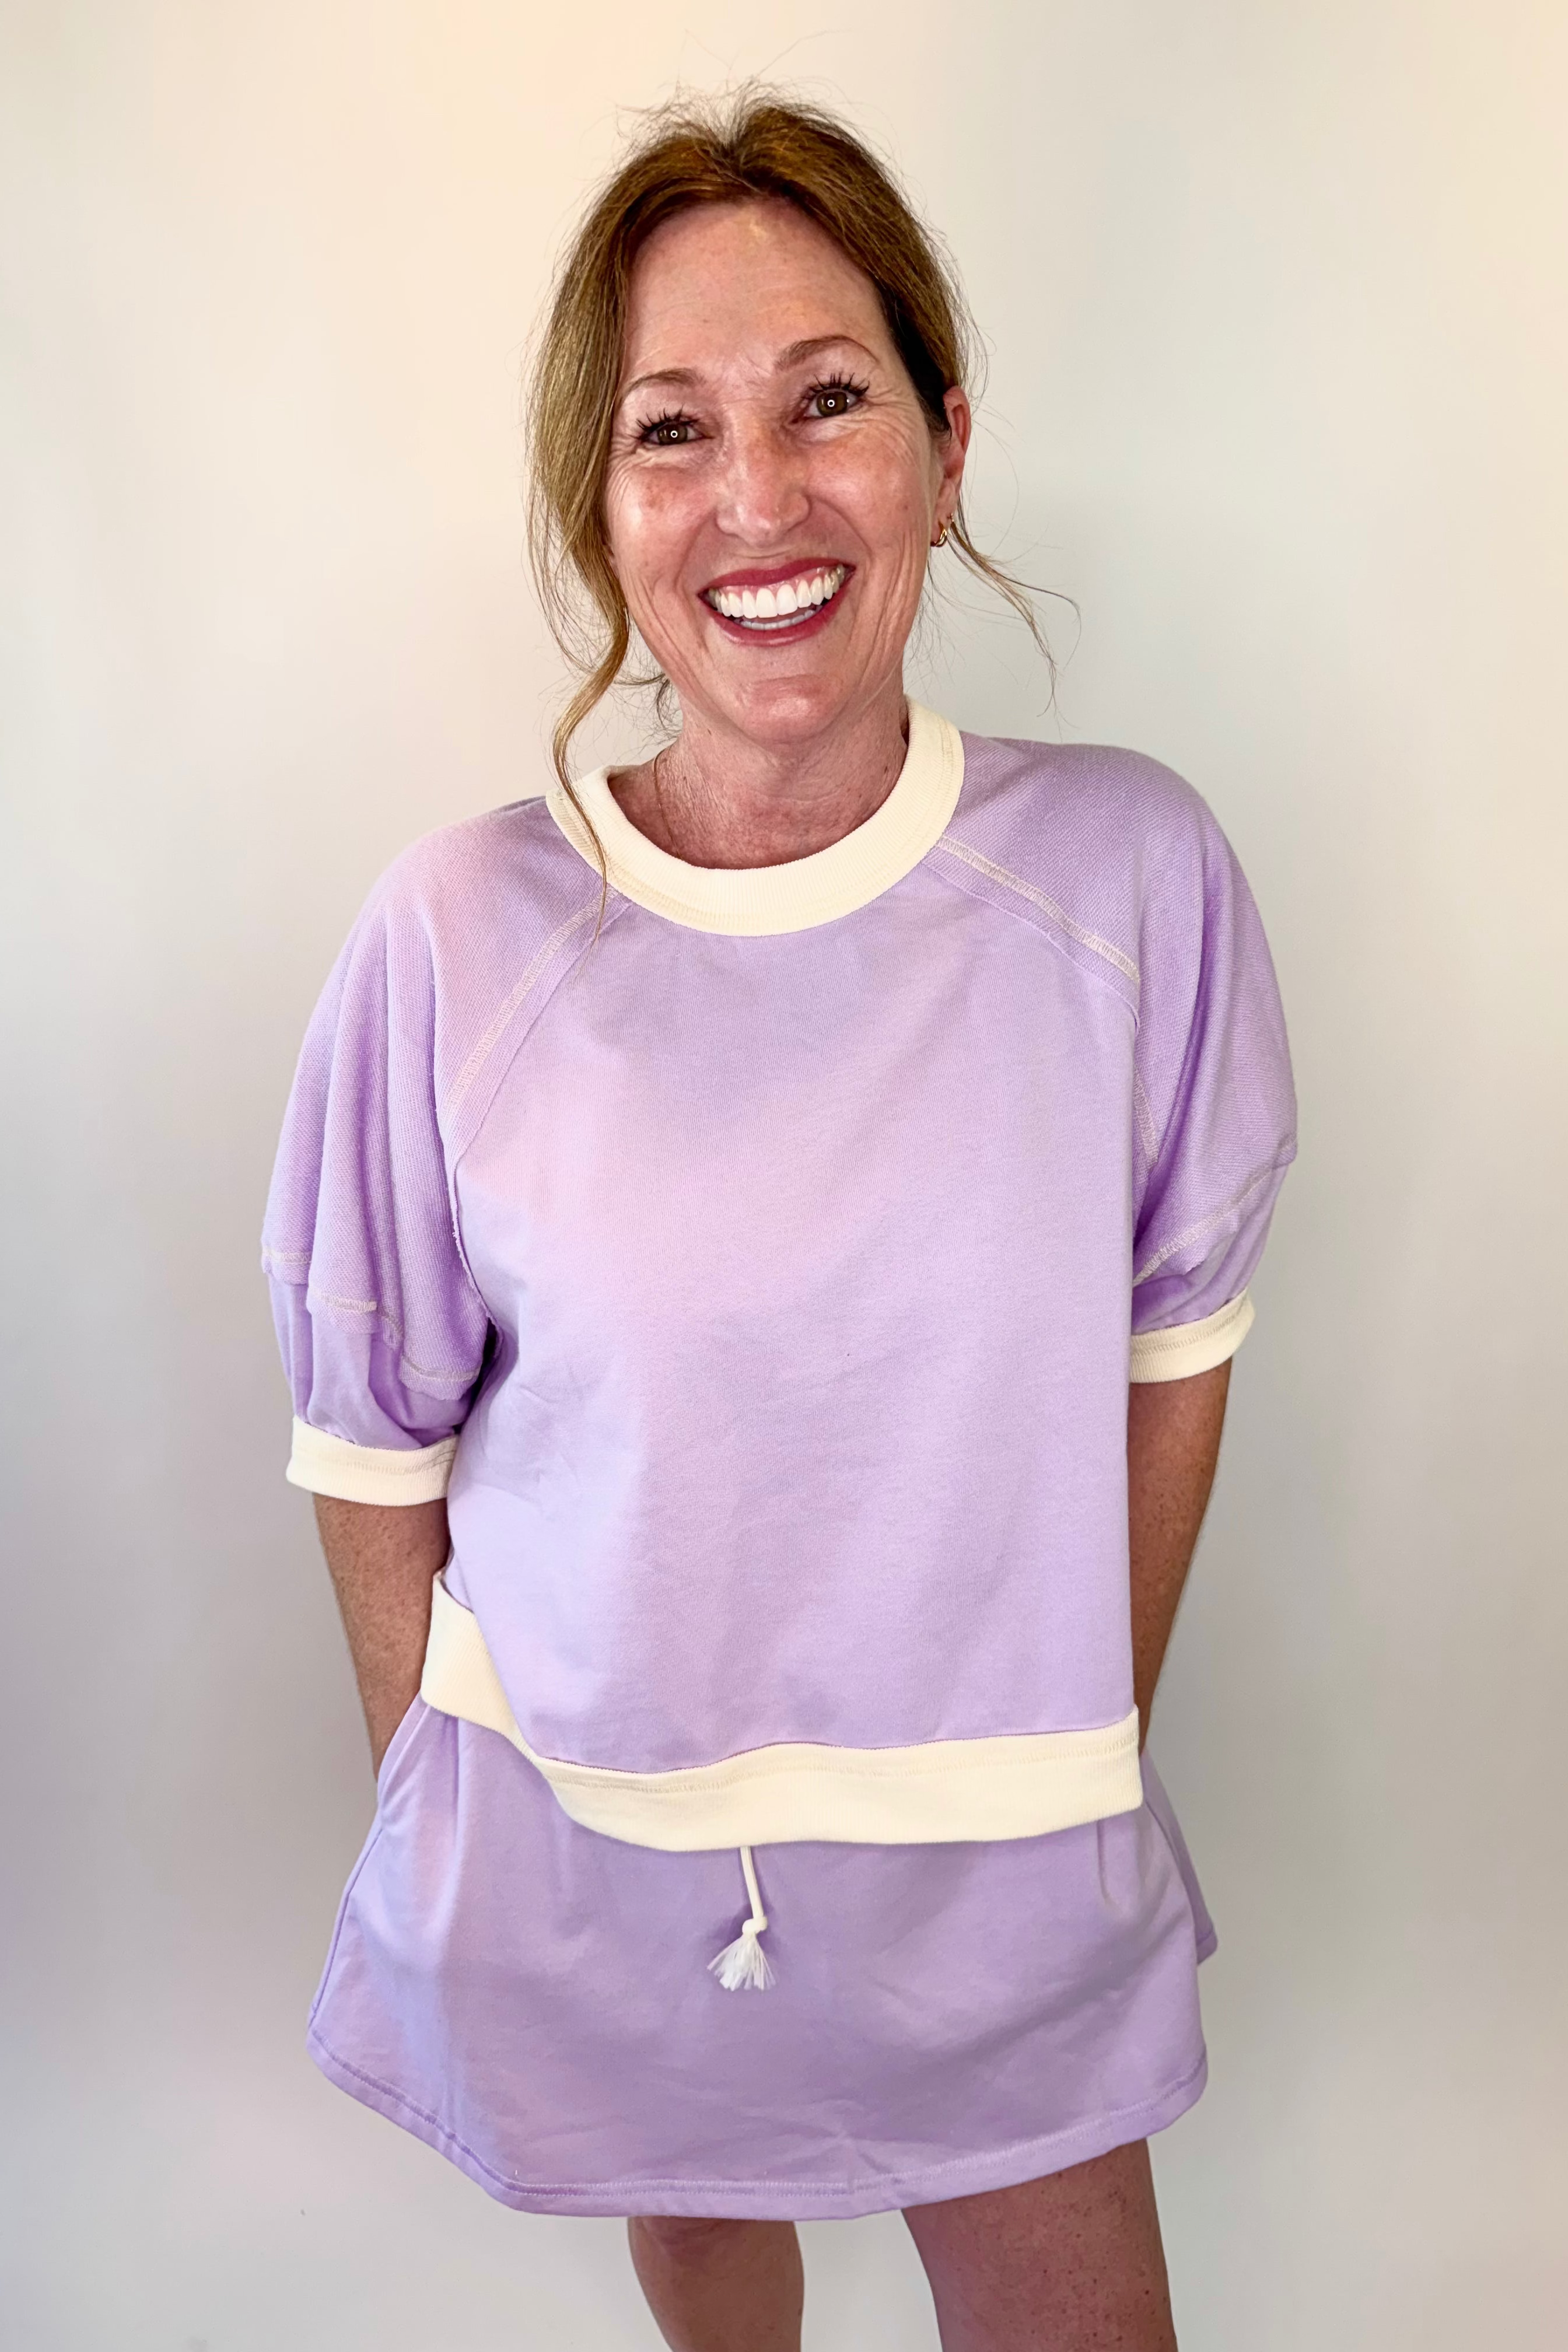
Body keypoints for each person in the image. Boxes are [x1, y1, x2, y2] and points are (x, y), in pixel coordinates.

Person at [262, 92, 1295, 2352]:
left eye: (828, 400)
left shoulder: (1131, 892)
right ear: (601, 507)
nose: (759, 498)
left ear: (940, 438)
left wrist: (1049, 1758)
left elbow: (1175, 1355)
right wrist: (469, 1824)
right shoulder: (461, 938)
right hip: (602, 1873)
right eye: (671, 429)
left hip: (1000, 1883)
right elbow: (375, 1446)